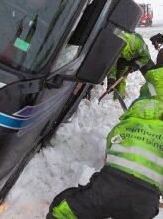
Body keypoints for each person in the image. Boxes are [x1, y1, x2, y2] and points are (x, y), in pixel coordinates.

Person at [47, 58, 163, 218]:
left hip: (108, 187)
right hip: (144, 203)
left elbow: (111, 146)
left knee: (62, 212)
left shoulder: (126, 123)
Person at [107, 31, 154, 99]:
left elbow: (146, 57)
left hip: (140, 57)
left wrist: (135, 65)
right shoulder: (113, 48)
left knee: (151, 75)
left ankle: (155, 95)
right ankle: (119, 97)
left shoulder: (137, 43)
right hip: (124, 57)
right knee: (120, 76)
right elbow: (112, 66)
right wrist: (111, 80)